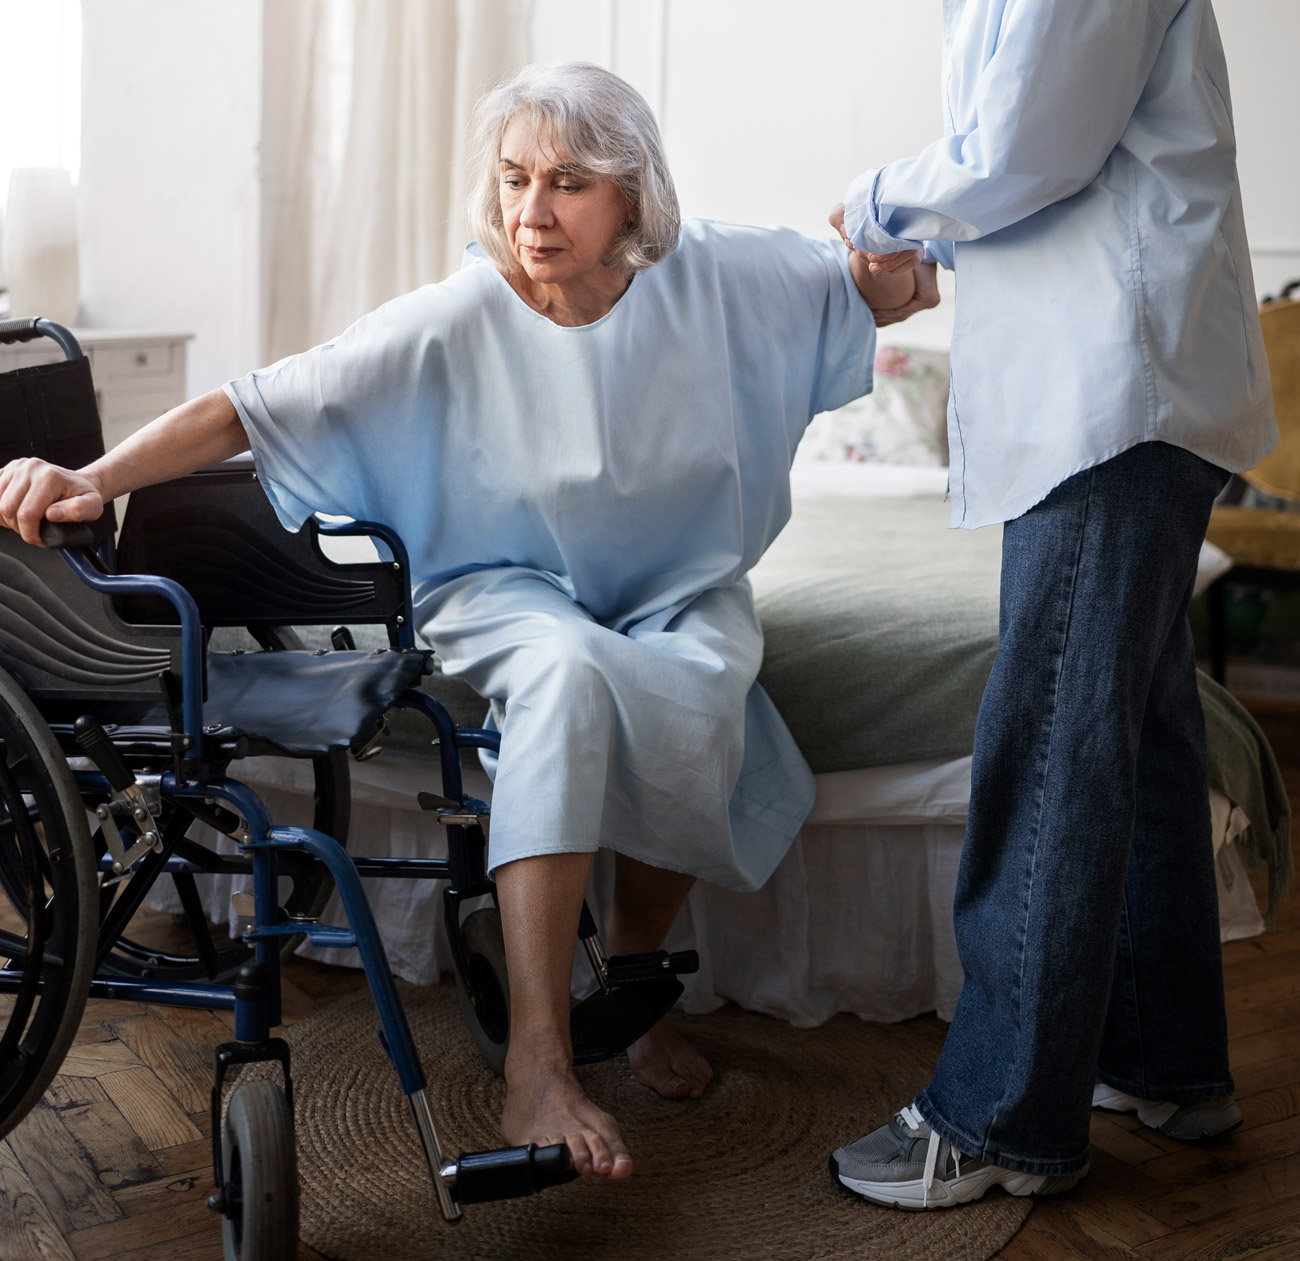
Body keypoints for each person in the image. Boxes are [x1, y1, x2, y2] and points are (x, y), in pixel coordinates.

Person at [0, 62, 928, 1181]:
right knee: (570, 677)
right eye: (515, 179)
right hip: (507, 583)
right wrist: (94, 476)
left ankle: (630, 983)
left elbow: (876, 289)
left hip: (679, 582)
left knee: (708, 678)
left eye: (569, 184)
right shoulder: (460, 313)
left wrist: (904, 264)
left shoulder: (724, 274)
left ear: (630, 198)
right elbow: (254, 403)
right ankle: (538, 1057)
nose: (532, 212)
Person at [825, 0, 1277, 1209]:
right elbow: (1061, 166)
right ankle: (1164, 1059)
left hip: (1110, 395)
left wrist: (873, 204)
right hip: (1119, 380)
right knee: (1142, 737)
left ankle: (998, 1111)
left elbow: (1026, 143)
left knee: (1052, 744)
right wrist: (939, 239)